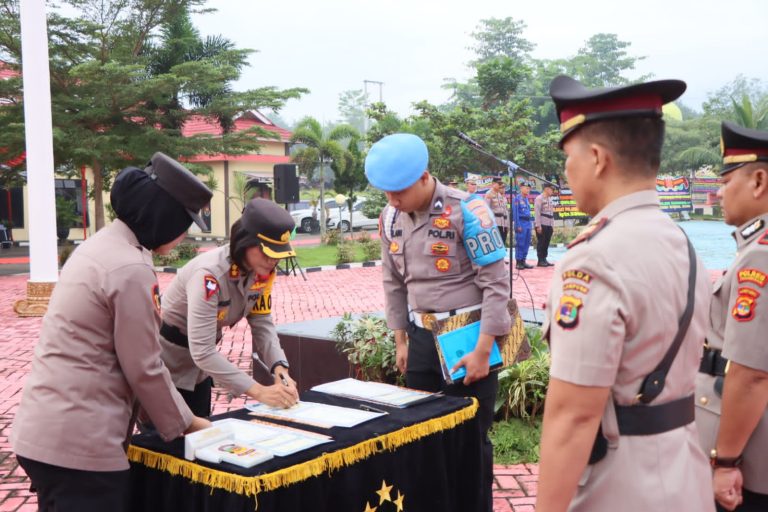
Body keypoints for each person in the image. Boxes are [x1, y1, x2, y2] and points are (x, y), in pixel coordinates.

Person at [536, 76, 714, 512]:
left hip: (619, 488)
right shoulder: (680, 241)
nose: (566, 173)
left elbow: (574, 417)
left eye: (568, 159)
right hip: (685, 473)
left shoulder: (593, 259)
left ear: (596, 158)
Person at [11, 152, 214, 512]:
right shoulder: (129, 267)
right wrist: (190, 424)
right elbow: (144, 367)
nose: (184, 234)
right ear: (163, 216)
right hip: (82, 446)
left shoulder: (104, 245)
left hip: (49, 430)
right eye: (185, 222)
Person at [365, 133, 510, 512]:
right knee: (422, 437)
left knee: (470, 439)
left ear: (425, 177)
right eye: (386, 193)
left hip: (467, 336)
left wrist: (483, 349)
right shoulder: (389, 218)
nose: (393, 200)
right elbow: (392, 282)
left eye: (399, 191)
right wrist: (400, 339)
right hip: (421, 337)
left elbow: (496, 284)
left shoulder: (469, 211)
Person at [159, 198, 300, 417]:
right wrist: (259, 392)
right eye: (267, 252)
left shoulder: (261, 273)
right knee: (164, 442)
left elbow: (262, 322)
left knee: (201, 437)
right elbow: (203, 351)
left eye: (278, 254)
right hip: (166, 366)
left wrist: (279, 367)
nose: (273, 261)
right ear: (246, 242)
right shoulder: (210, 275)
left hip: (199, 372)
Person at [695, 121, 768, 512]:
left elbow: (752, 372)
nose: (718, 192)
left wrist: (725, 461)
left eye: (726, 180)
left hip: (752, 458)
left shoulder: (761, 255)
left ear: (758, 181)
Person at [510, 180, 533, 269]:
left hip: (528, 223)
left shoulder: (526, 199)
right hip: (521, 223)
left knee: (527, 242)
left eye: (529, 189)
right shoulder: (517, 199)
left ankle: (523, 260)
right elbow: (515, 213)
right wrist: (517, 225)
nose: (528, 190)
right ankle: (519, 262)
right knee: (520, 242)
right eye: (526, 188)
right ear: (521, 188)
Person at [485, 176, 511, 250]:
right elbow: (486, 209)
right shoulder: (489, 194)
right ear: (493, 184)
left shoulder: (501, 195)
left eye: (500, 183)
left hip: (503, 223)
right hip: (495, 222)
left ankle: (501, 260)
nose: (500, 185)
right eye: (498, 183)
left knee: (502, 242)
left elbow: (505, 210)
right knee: (495, 243)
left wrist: (508, 224)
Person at [534, 183, 556, 267]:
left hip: (549, 223)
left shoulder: (549, 199)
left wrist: (552, 225)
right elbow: (537, 213)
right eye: (551, 189)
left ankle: (544, 259)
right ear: (546, 189)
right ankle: (540, 260)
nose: (552, 191)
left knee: (546, 242)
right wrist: (538, 225)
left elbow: (551, 213)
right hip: (542, 223)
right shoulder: (539, 198)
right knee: (541, 242)